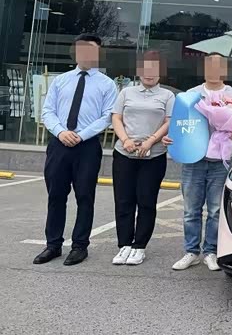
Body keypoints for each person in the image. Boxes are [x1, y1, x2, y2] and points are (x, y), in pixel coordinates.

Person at [33, 34, 118, 266]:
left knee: (85, 197)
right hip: (59, 144)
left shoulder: (107, 84)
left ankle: (80, 246)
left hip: (87, 146)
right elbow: (47, 111)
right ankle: (53, 245)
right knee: (56, 196)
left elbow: (107, 117)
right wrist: (61, 132)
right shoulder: (60, 81)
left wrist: (81, 135)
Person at [164, 53, 232, 272]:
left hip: (220, 161)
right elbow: (179, 123)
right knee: (191, 210)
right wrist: (171, 138)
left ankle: (211, 251)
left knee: (215, 211)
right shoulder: (191, 95)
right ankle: (191, 252)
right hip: (194, 160)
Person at [110, 50, 175, 266]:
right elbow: (116, 118)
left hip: (153, 156)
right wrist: (125, 140)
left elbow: (169, 122)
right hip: (124, 153)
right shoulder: (126, 92)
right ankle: (124, 245)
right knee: (123, 200)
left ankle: (139, 247)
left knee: (146, 201)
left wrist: (151, 141)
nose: (150, 73)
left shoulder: (167, 96)